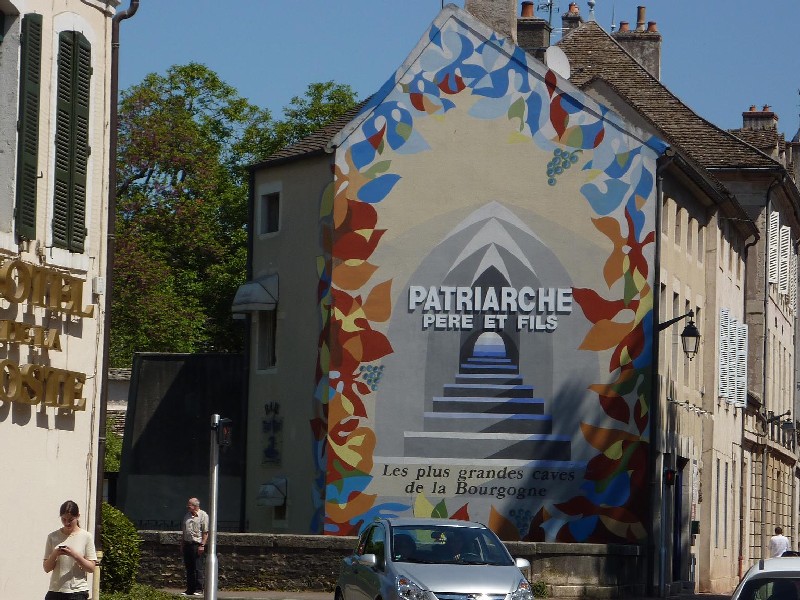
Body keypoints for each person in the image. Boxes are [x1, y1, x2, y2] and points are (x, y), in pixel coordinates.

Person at [42, 500, 98, 600]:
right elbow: (46, 568)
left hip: (77, 591)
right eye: (63, 519)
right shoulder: (52, 537)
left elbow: (91, 568)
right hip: (55, 591)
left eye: (70, 520)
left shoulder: (86, 537)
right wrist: (55, 554)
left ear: (78, 516)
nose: (67, 523)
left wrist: (74, 555)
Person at [181, 497, 209, 597]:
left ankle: (199, 589)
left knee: (198, 568)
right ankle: (190, 589)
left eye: (190, 505)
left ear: (196, 506)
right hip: (187, 544)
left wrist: (202, 545)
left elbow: (205, 532)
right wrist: (182, 544)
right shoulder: (187, 516)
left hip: (197, 544)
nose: (188, 507)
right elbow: (184, 531)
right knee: (189, 568)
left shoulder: (203, 515)